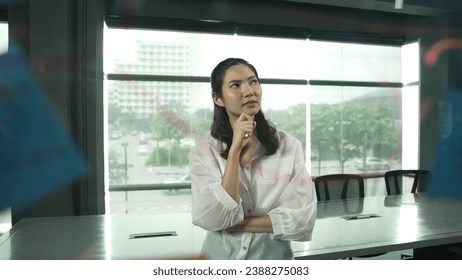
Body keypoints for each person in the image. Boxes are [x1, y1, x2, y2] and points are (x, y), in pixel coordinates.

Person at [188, 58, 317, 260]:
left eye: (253, 81)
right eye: (235, 85)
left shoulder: (289, 146)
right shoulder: (204, 151)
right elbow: (208, 218)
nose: (249, 91)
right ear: (218, 98)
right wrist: (234, 153)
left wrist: (231, 222)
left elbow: (302, 221)